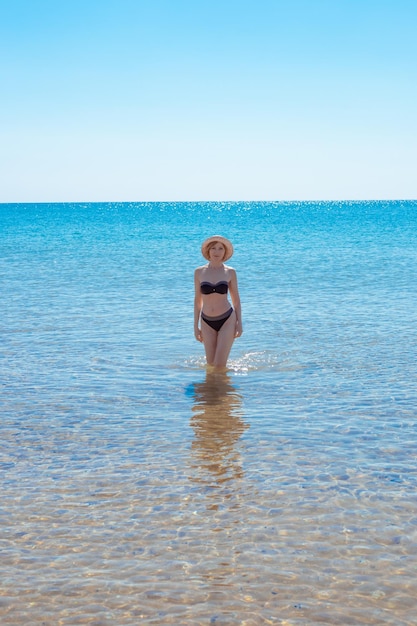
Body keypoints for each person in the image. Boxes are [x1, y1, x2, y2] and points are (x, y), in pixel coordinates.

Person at [194, 235, 242, 368]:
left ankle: (222, 388)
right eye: (213, 248)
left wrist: (239, 323)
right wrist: (195, 327)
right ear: (208, 251)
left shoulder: (230, 272)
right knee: (210, 365)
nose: (217, 252)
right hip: (206, 321)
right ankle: (212, 388)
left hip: (227, 319)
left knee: (219, 365)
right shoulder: (199, 272)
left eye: (220, 249)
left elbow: (236, 300)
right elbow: (197, 301)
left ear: (225, 252)